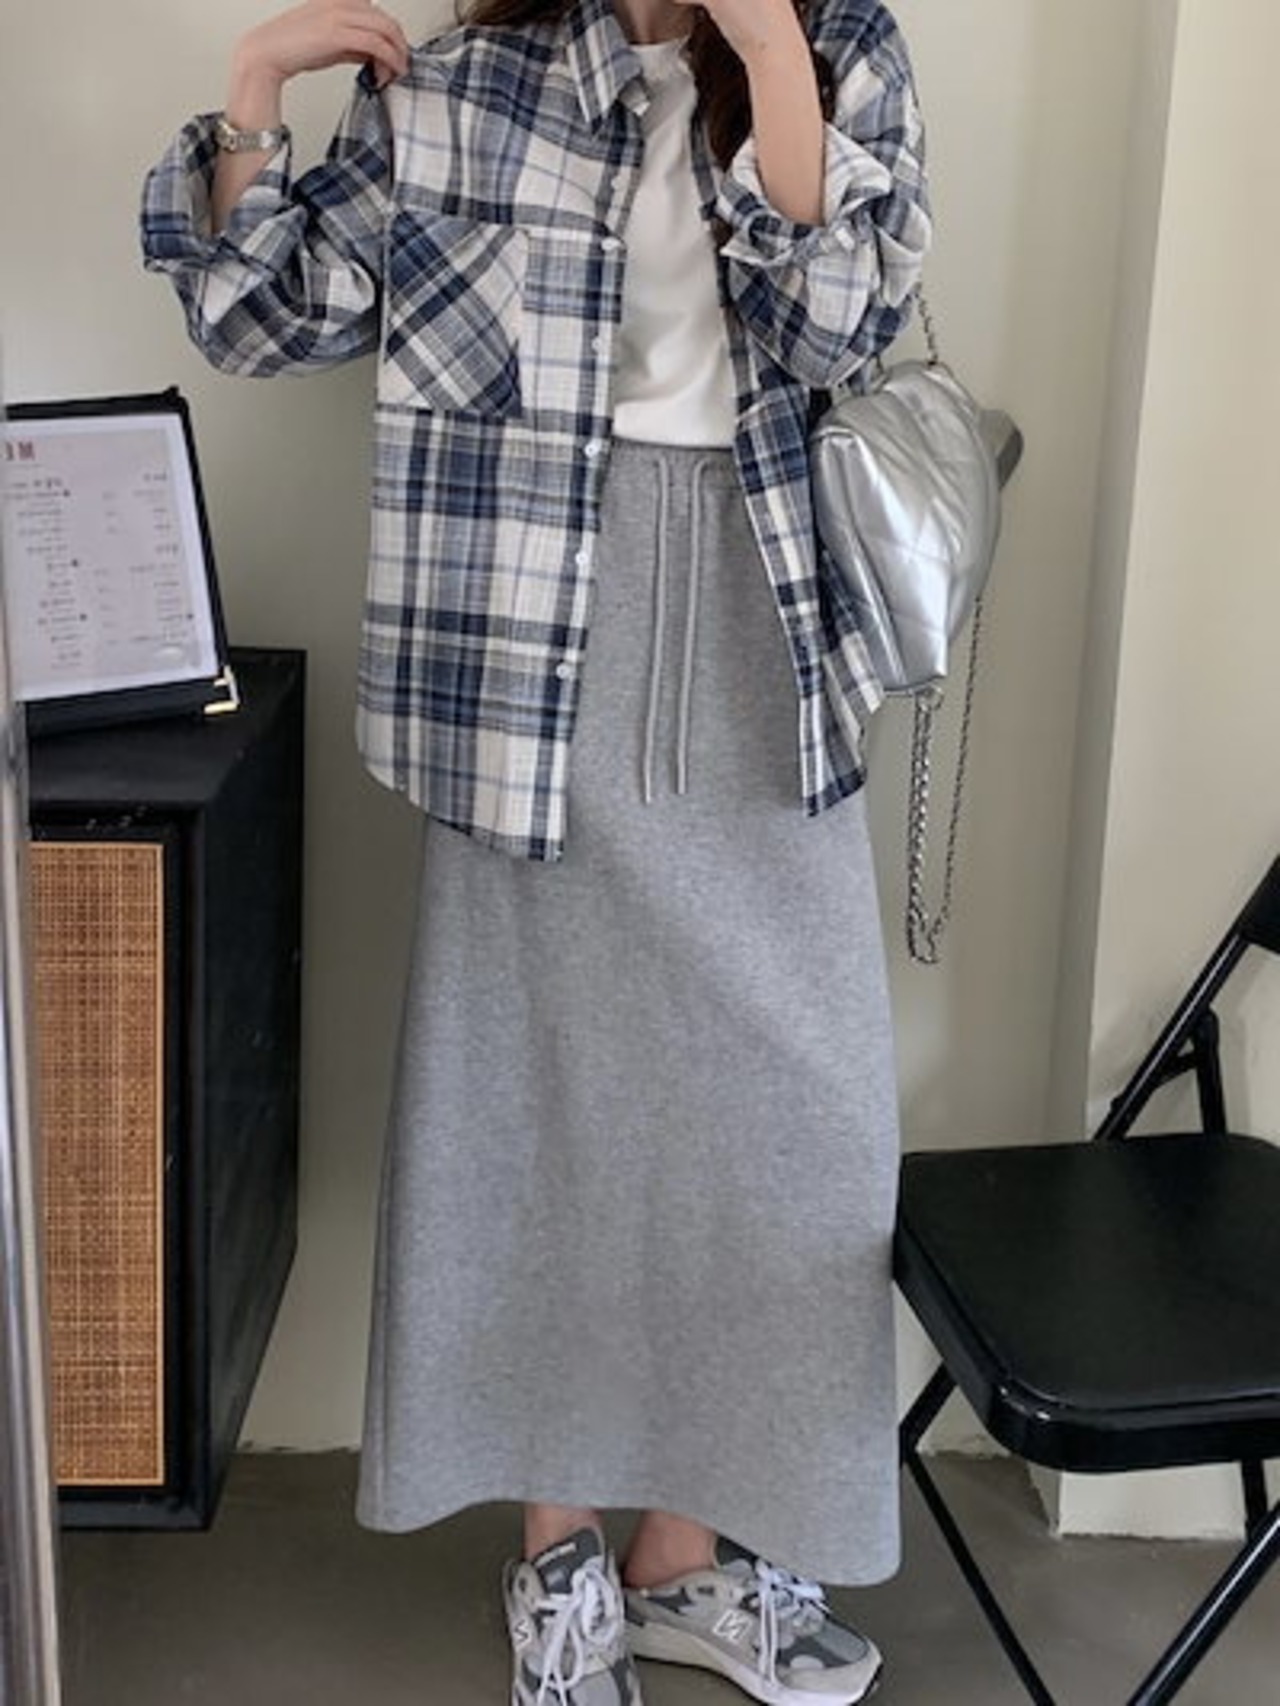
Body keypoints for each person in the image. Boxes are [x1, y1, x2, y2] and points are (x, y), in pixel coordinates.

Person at [142, 0, 929, 1699]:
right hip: (519, 646)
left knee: (790, 1128)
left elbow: (843, 327)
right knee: (533, 1102)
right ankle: (559, 1549)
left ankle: (686, 1552)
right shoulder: (469, 79)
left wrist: (771, 64)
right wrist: (255, 94)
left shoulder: (842, 45)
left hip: (762, 627)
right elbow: (266, 315)